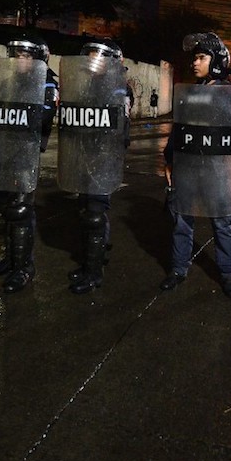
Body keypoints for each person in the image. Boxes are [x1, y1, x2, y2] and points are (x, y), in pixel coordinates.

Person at [160, 32, 231, 298]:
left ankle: (228, 274)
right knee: (182, 219)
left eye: (201, 57)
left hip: (218, 170)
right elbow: (179, 129)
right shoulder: (191, 93)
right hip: (189, 168)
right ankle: (178, 268)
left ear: (217, 61)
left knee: (221, 222)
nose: (195, 63)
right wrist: (170, 160)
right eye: (194, 58)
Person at [0, 33, 56, 293]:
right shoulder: (8, 79)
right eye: (17, 56)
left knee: (21, 209)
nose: (20, 61)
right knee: (6, 207)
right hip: (4, 150)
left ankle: (24, 267)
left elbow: (43, 118)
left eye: (26, 56)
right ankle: (11, 258)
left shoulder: (46, 83)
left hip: (26, 153)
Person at [64, 38, 131, 294]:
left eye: (99, 57)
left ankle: (94, 273)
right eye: (90, 56)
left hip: (102, 160)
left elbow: (119, 129)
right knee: (85, 211)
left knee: (94, 212)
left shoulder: (118, 88)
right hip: (84, 157)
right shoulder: (88, 86)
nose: (93, 61)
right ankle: (90, 262)